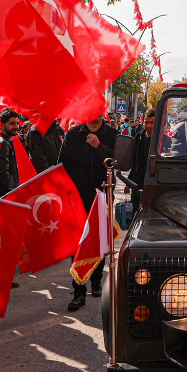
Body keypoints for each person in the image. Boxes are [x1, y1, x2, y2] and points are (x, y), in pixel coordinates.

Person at [60, 112, 119, 310]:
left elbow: (117, 163)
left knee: (100, 240)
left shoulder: (112, 133)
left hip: (102, 194)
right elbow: (62, 166)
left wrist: (99, 147)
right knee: (79, 242)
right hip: (78, 197)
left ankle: (96, 280)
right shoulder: (73, 134)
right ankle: (78, 289)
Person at [0, 109, 22, 198]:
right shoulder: (3, 143)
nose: (16, 127)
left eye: (17, 123)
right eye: (12, 123)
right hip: (2, 194)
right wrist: (9, 193)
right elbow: (2, 172)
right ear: (2, 125)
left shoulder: (2, 141)